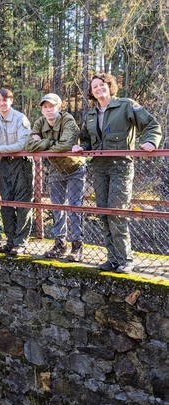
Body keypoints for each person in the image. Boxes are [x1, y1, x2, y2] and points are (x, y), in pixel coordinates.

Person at [72, 73, 162, 273]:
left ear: (109, 86)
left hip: (120, 165)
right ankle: (112, 259)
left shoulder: (126, 105)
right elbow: (86, 139)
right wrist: (81, 147)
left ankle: (126, 259)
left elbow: (152, 125)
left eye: (101, 85)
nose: (98, 88)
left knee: (117, 211)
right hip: (99, 167)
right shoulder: (91, 114)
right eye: (94, 87)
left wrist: (150, 141)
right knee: (104, 212)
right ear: (92, 92)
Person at [26, 93, 85, 261]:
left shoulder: (68, 120)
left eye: (51, 106)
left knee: (74, 207)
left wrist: (43, 145)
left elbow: (66, 144)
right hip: (55, 168)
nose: (48, 109)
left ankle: (77, 245)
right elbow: (29, 145)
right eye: (45, 107)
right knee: (57, 207)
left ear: (59, 107)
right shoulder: (39, 122)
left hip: (75, 168)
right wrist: (52, 145)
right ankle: (60, 243)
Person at [0, 88, 33, 256]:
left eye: (4, 100)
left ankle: (21, 243)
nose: (1, 103)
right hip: (5, 165)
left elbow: (22, 144)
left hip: (22, 165)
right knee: (6, 204)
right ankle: (10, 240)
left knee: (22, 204)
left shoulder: (20, 118)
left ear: (11, 101)